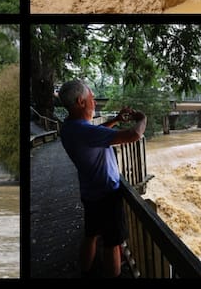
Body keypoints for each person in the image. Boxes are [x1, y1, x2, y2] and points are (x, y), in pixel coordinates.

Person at [58, 79, 147, 278]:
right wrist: (142, 119)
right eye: (91, 98)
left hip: (90, 193)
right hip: (107, 195)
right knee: (112, 243)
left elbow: (96, 133)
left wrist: (115, 119)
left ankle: (85, 272)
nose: (95, 103)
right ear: (81, 101)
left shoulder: (70, 128)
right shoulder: (84, 130)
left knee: (90, 235)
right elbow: (134, 134)